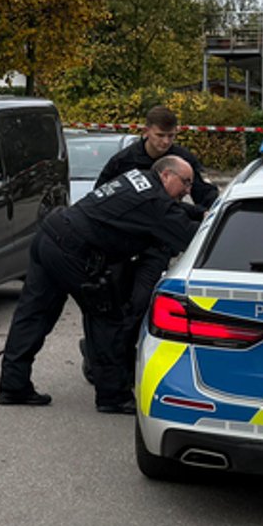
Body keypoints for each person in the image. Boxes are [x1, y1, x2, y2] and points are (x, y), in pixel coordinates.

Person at [0, 155, 202, 411]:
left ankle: (13, 385)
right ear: (166, 175)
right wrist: (214, 222)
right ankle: (113, 396)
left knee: (34, 313)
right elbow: (188, 235)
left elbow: (172, 212)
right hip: (73, 251)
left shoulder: (139, 179)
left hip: (50, 236)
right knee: (106, 318)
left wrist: (201, 212)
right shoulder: (155, 202)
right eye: (186, 182)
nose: (188, 190)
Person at [83, 105, 222, 396]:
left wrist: (205, 214)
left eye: (171, 136)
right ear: (145, 131)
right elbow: (101, 197)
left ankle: (120, 362)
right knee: (112, 302)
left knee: (139, 303)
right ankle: (99, 356)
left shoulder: (182, 161)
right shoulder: (124, 161)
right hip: (122, 245)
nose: (165, 142)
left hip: (157, 243)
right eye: (160, 135)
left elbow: (206, 197)